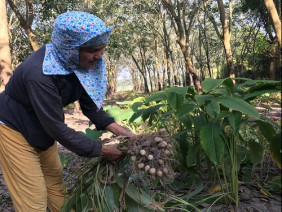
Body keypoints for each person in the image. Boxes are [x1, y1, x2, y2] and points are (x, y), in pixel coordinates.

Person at [0, 11, 133, 212]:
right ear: (71, 47)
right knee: (33, 200)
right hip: (12, 129)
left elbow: (91, 108)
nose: (99, 56)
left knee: (56, 185)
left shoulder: (81, 63)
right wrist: (102, 151)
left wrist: (125, 134)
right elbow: (56, 127)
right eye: (94, 50)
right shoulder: (39, 74)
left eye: (102, 49)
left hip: (42, 126)